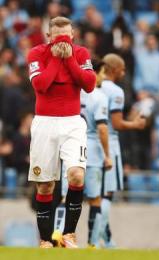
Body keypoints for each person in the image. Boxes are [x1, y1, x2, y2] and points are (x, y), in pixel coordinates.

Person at [27, 16, 96, 248]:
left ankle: (69, 234)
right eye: (58, 38)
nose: (63, 42)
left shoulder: (81, 53)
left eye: (67, 37)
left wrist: (70, 61)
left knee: (77, 175)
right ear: (49, 37)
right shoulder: (37, 53)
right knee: (45, 185)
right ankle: (46, 240)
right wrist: (57, 59)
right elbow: (41, 85)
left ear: (73, 34)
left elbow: (88, 83)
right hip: (45, 123)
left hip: (72, 122)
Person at [98, 53, 146, 247]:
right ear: (114, 69)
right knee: (107, 193)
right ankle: (104, 238)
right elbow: (116, 123)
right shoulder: (116, 91)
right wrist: (135, 124)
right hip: (108, 141)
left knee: (89, 194)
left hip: (88, 142)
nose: (124, 72)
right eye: (122, 68)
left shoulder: (90, 87)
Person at [80, 60, 112, 248]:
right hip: (92, 152)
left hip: (71, 148)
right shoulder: (99, 96)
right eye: (102, 72)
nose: (104, 77)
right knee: (95, 199)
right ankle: (92, 243)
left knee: (64, 197)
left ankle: (60, 237)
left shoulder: (74, 92)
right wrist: (107, 155)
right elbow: (102, 129)